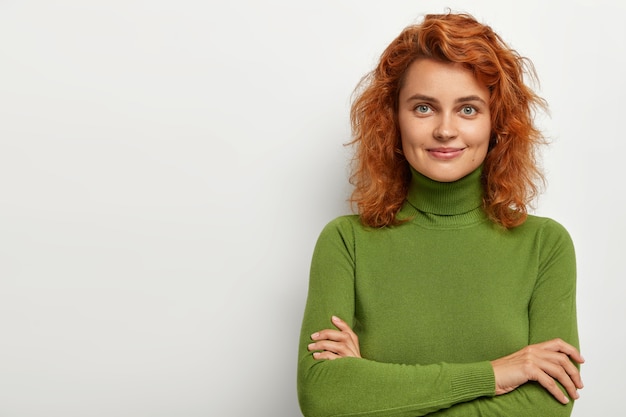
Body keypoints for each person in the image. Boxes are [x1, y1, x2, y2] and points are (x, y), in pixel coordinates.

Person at [297, 11, 583, 417]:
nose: (445, 130)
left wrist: (375, 389)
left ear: (496, 123)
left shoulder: (545, 246)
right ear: (392, 119)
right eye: (424, 108)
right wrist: (493, 375)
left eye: (468, 110)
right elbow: (323, 399)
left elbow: (547, 407)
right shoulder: (347, 242)